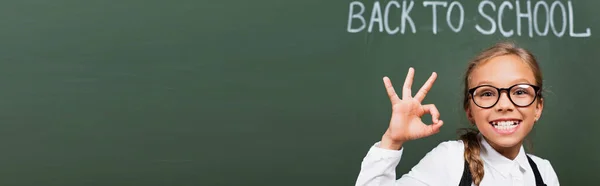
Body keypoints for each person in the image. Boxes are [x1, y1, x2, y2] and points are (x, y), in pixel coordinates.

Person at [355, 42, 559, 186]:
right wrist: (391, 141)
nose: (504, 105)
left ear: (538, 107)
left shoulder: (543, 172)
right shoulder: (451, 160)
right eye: (487, 93)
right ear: (470, 111)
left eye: (520, 92)